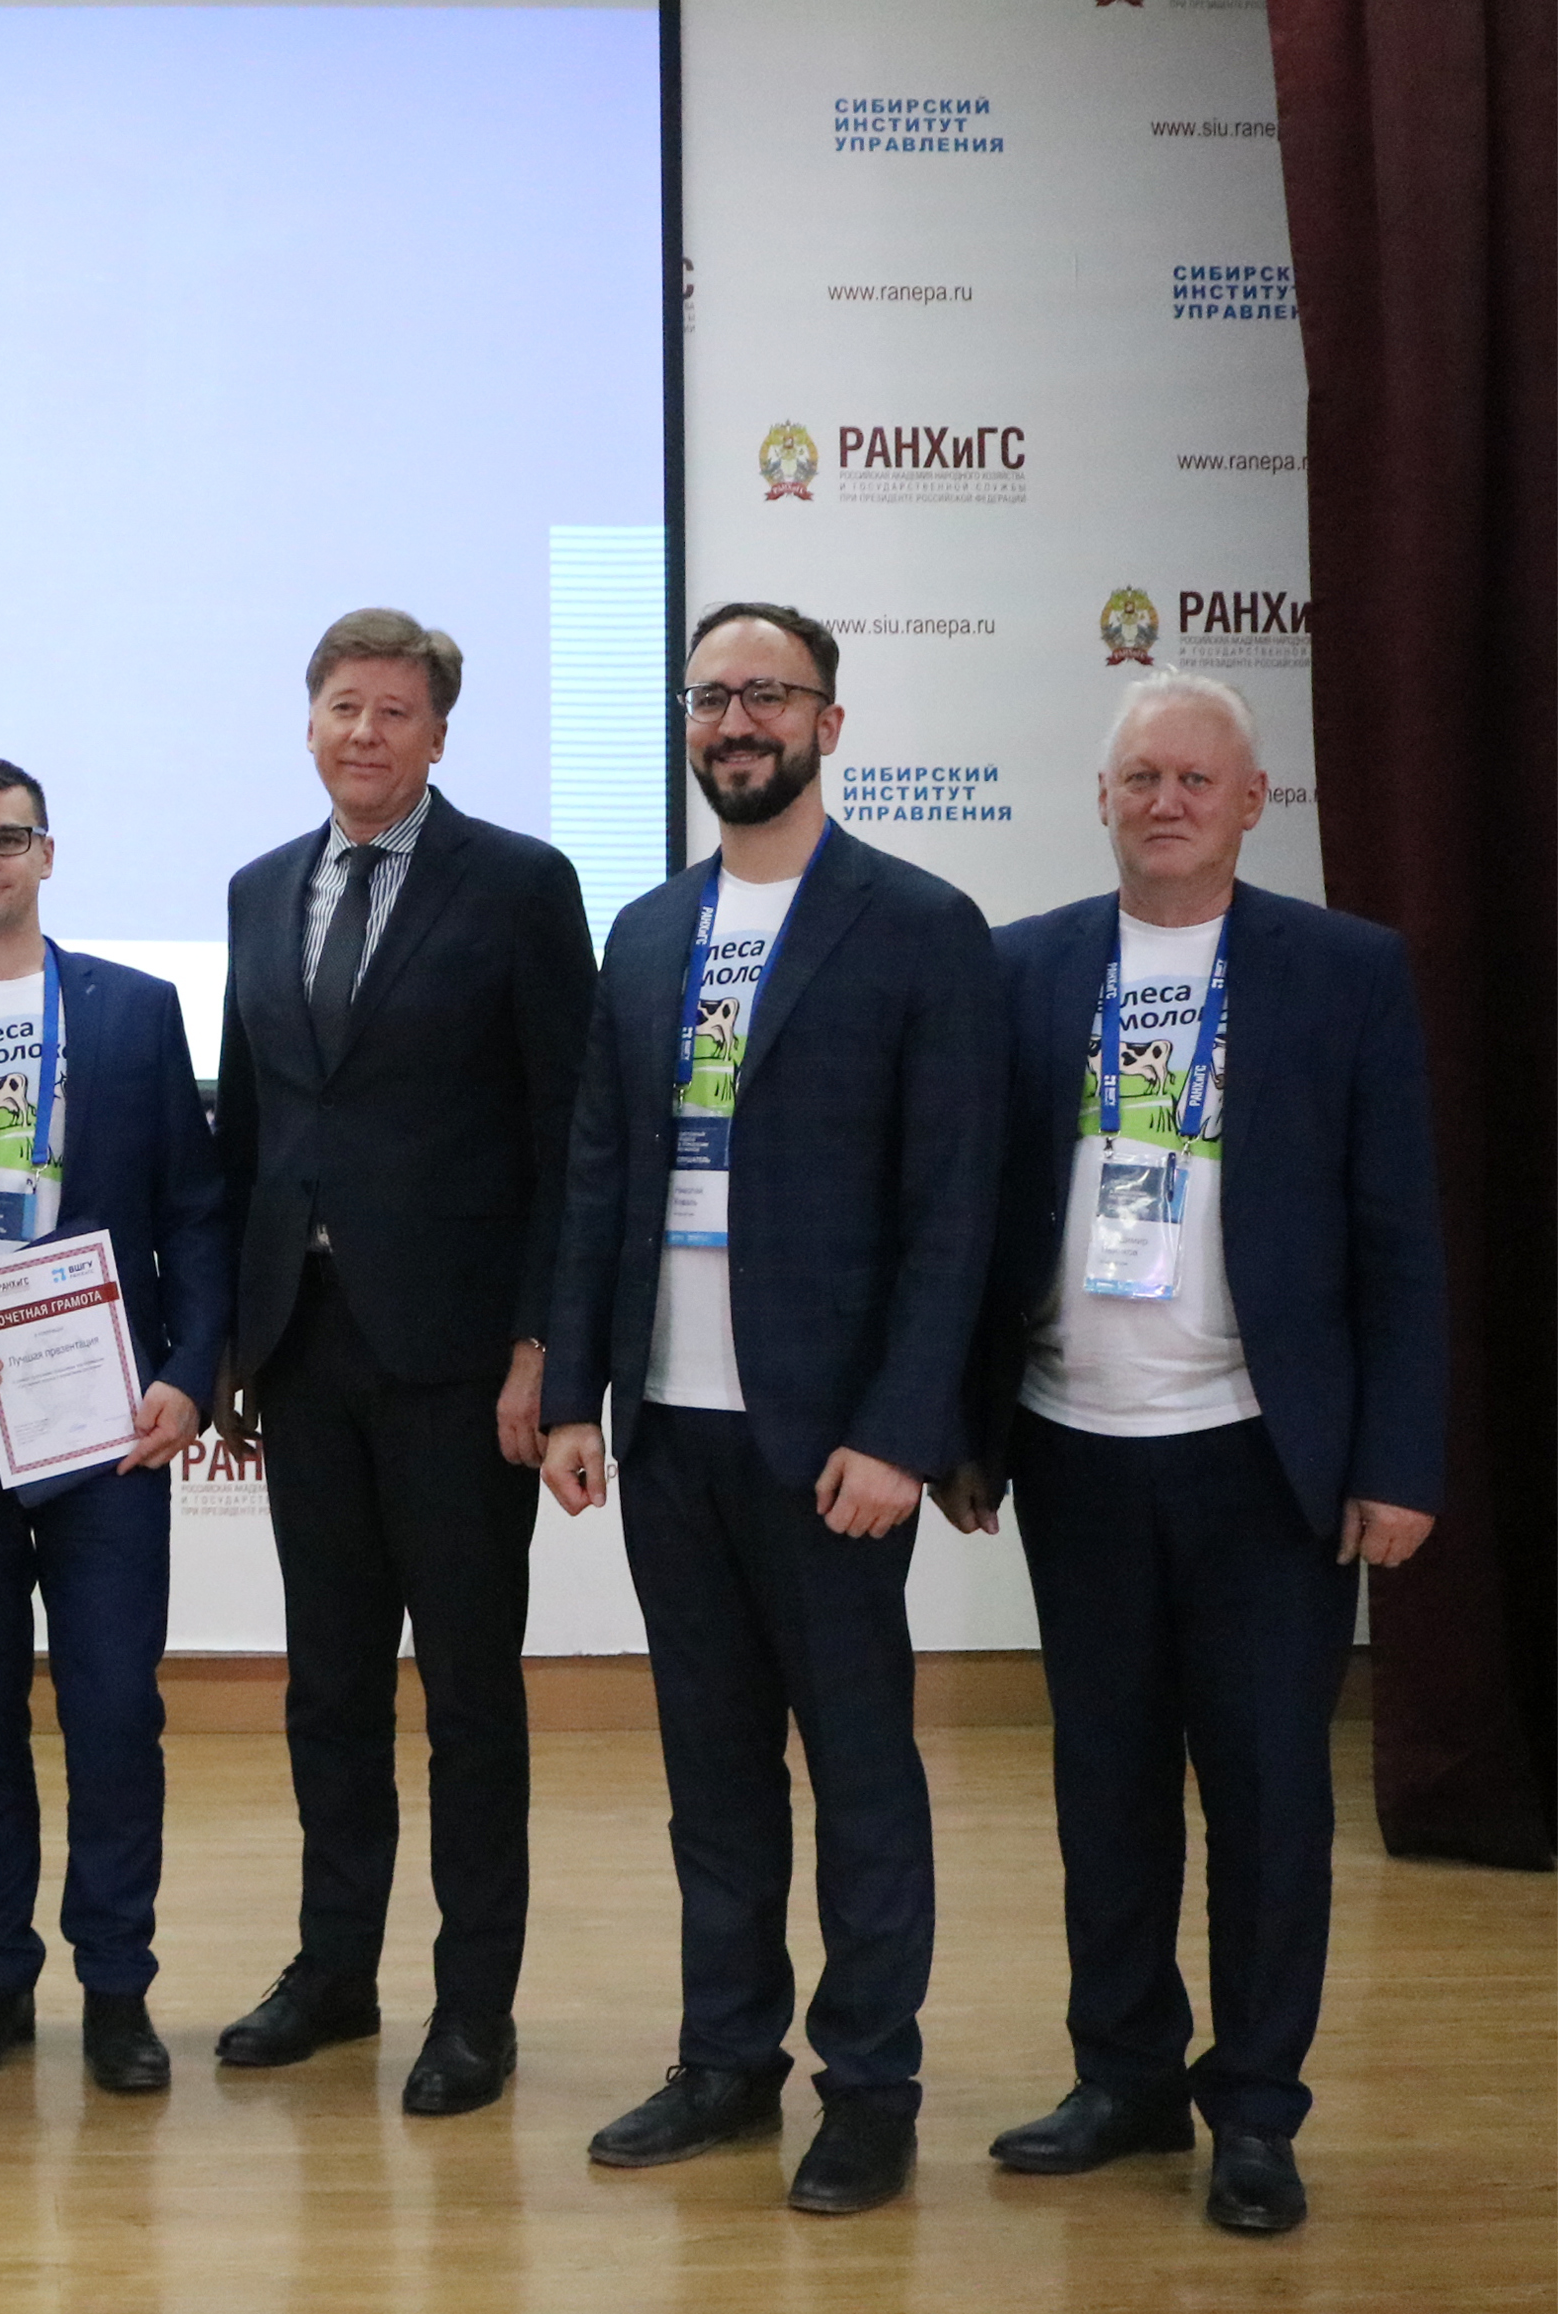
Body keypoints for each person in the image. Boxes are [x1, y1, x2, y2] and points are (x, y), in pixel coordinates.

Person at [949, 672, 1444, 2237]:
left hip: (1261, 1457)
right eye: (1140, 776)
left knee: (1269, 1799)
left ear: (1251, 803)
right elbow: (972, 1220)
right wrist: (963, 1429)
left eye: (1195, 780)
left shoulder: (1344, 971)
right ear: (1102, 797)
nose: (1165, 801)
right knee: (1105, 1786)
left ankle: (1257, 2110)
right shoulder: (1022, 967)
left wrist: (1399, 1456)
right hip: (1074, 1447)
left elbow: (1401, 1235)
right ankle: (1124, 2079)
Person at [539, 601, 1003, 2215]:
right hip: (672, 1426)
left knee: (861, 1771)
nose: (735, 720)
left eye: (768, 694)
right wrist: (578, 1390)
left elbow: (954, 1204)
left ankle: (869, 2087)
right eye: (710, 695)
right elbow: (600, 1172)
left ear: (828, 720)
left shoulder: (917, 923)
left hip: (832, 1444)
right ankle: (727, 2059)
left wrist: (903, 1427)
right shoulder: (648, 929)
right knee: (714, 1772)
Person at [210, 610, 596, 2112]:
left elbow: (568, 1134)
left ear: (438, 735)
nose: (364, 733)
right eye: (342, 707)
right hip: (306, 1354)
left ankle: (474, 2007)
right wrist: (235, 1341)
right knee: (328, 1688)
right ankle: (335, 1971)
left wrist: (542, 1346)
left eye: (393, 711)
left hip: (458, 1363)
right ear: (308, 722)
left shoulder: (518, 884)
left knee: (468, 1695)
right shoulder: (260, 889)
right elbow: (252, 1130)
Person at [0, 757, 230, 2096]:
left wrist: (192, 1372)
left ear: (47, 852)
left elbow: (194, 1208)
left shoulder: (135, 1010)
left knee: (111, 1710)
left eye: (7, 838)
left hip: (109, 1426)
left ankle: (117, 1985)